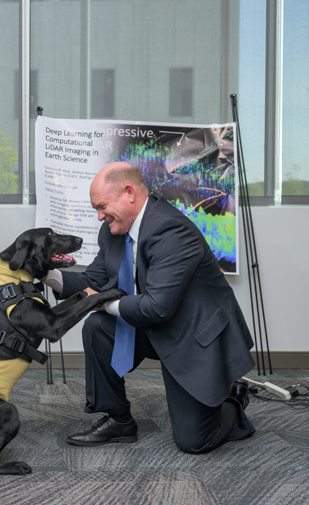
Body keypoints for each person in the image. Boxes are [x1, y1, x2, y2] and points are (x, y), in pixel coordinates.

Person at [42, 162, 255, 453]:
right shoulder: (113, 233)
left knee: (194, 441)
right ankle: (119, 420)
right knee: (97, 328)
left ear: (128, 193)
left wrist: (102, 302)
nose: (100, 216)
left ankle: (233, 399)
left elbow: (157, 307)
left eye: (102, 206)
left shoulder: (170, 230)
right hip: (154, 326)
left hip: (193, 337)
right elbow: (93, 280)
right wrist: (45, 274)